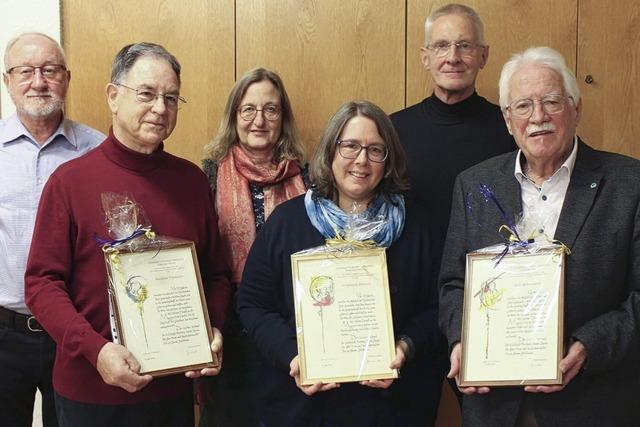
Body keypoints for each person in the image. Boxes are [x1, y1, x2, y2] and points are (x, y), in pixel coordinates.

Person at [24, 42, 232, 426]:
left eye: (171, 98)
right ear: (113, 96)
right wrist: (95, 350)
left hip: (172, 390)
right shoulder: (69, 182)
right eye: (147, 94)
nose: (160, 108)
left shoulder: (191, 181)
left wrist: (213, 326)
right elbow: (41, 283)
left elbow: (217, 273)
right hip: (91, 389)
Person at [439, 46, 640, 426]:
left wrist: (589, 346)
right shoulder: (474, 184)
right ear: (507, 119)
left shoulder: (630, 184)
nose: (539, 117)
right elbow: (453, 283)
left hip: (594, 403)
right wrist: (460, 341)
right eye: (523, 106)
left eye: (551, 101)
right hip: (495, 408)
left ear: (576, 108)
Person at [237, 101, 442, 426]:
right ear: (331, 150)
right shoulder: (287, 222)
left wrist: (406, 346)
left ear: (388, 161)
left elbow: (437, 308)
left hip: (392, 409)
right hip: (303, 408)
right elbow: (252, 304)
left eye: (375, 150)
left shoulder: (416, 227)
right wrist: (293, 355)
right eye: (350, 146)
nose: (362, 160)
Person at [0, 32, 104, 427]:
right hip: (5, 333)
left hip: (74, 334)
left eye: (50, 70)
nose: (39, 81)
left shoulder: (96, 150)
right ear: (7, 80)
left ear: (67, 77)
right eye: (25, 71)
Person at [199, 68, 307, 426]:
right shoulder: (209, 175)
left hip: (293, 328)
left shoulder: (308, 176)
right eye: (248, 110)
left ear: (283, 118)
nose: (259, 120)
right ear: (234, 116)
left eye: (270, 110)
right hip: (228, 331)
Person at [391, 3, 515, 274]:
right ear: (425, 57)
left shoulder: (510, 129)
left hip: (489, 279)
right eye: (441, 45)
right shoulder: (393, 130)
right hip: (410, 280)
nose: (453, 57)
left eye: (465, 46)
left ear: (483, 55)